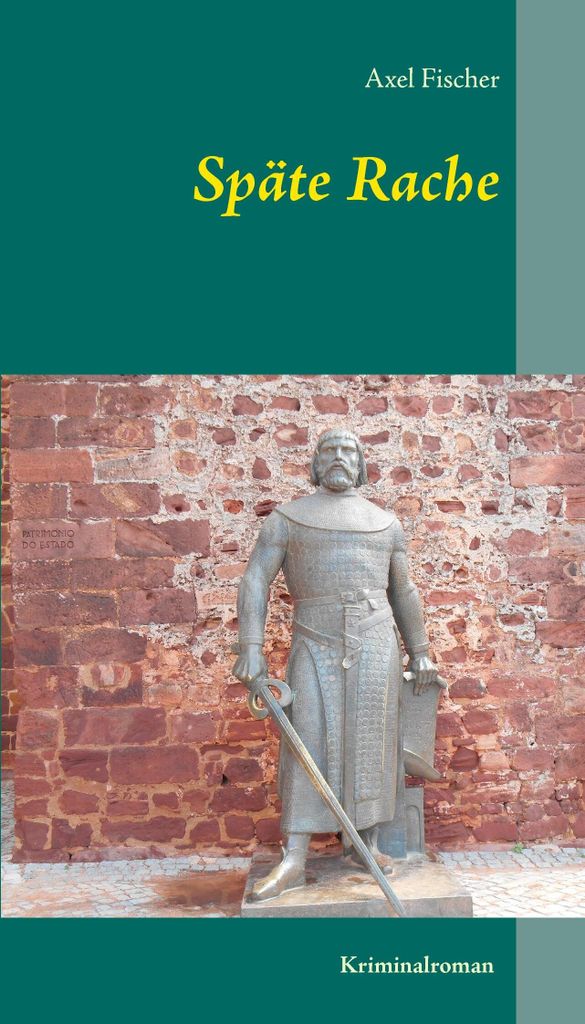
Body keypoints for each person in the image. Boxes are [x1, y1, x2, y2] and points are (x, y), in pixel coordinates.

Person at [232, 428, 438, 900]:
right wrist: (251, 646)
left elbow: (403, 590)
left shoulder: (385, 524)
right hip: (315, 638)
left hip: (376, 640)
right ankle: (295, 858)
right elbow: (256, 578)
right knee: (309, 739)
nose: (339, 457)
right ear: (316, 462)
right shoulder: (287, 519)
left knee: (373, 742)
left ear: (361, 464)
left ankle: (363, 845)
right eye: (330, 450)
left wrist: (420, 649)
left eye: (349, 451)